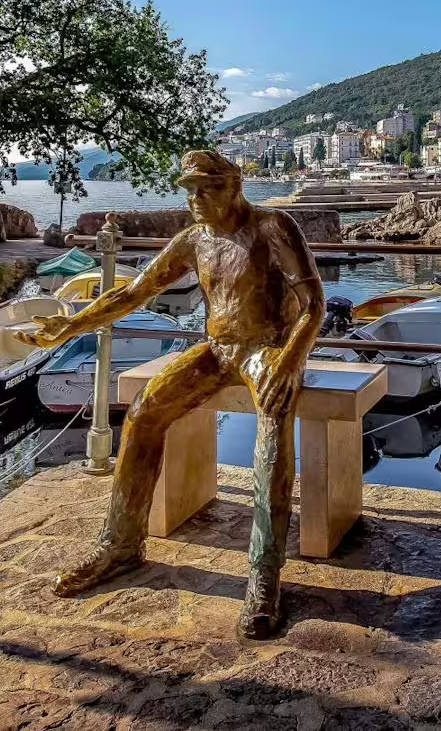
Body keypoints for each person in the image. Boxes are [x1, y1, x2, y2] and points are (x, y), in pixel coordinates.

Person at [18, 149, 325, 638]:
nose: (197, 198)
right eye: (190, 190)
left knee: (271, 429)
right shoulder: (193, 241)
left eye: (208, 188)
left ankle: (263, 577)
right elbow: (132, 292)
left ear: (235, 185)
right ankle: (120, 543)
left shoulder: (272, 227)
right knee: (143, 411)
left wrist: (289, 361)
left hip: (267, 348)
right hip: (216, 348)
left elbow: (314, 304)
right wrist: (70, 325)